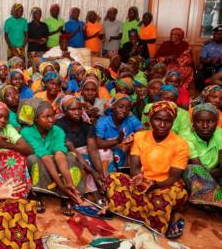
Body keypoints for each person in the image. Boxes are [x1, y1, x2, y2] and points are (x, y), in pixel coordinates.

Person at [104, 101, 189, 237]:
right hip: (142, 182)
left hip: (165, 186)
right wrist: (138, 178)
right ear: (150, 119)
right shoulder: (140, 137)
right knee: (113, 179)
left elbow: (173, 178)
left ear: (173, 122)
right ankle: (152, 213)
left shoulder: (181, 144)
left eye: (167, 121)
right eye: (158, 119)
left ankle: (124, 209)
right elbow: (135, 168)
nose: (162, 125)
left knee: (164, 199)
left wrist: (155, 185)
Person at [18, 98, 83, 215]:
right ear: (36, 119)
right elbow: (44, 155)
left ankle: (67, 196)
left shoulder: (58, 131)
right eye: (46, 117)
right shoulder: (26, 132)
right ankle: (38, 195)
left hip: (55, 159)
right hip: (42, 159)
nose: (51, 120)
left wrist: (68, 182)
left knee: (71, 157)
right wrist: (60, 184)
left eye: (53, 116)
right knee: (33, 159)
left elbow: (59, 153)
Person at [55, 96, 105, 199]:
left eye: (79, 109)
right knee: (79, 159)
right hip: (68, 154)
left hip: (84, 153)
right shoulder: (58, 126)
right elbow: (71, 149)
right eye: (72, 109)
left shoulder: (86, 125)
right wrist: (92, 171)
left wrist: (100, 174)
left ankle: (104, 185)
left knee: (105, 154)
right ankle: (87, 193)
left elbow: (92, 149)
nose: (77, 112)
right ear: (64, 111)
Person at [182, 103, 222, 209]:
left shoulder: (219, 133)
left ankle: (212, 199)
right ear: (193, 122)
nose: (205, 126)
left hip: (215, 173)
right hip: (192, 177)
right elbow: (201, 171)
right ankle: (214, 199)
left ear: (217, 122)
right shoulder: (186, 137)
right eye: (199, 121)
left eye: (210, 121)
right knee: (193, 169)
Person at [95, 93, 143, 174]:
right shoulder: (103, 122)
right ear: (113, 106)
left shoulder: (131, 119)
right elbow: (98, 143)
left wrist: (131, 139)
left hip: (127, 153)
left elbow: (142, 133)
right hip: (109, 156)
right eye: (120, 107)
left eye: (128, 109)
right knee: (106, 153)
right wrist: (117, 141)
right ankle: (109, 180)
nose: (124, 111)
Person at [197, 25, 222, 91]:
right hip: (209, 67)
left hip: (220, 68)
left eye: (219, 34)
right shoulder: (207, 45)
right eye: (215, 33)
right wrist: (210, 60)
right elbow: (202, 59)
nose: (216, 35)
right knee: (199, 75)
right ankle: (202, 94)